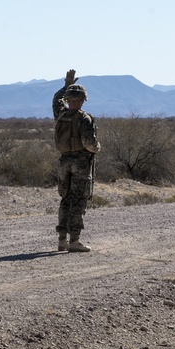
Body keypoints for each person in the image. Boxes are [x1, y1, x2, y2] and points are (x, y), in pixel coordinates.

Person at [52, 69, 101, 252]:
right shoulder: (84, 119)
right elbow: (90, 144)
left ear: (67, 99)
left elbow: (55, 100)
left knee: (65, 198)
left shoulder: (60, 114)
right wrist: (97, 148)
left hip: (64, 161)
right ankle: (74, 241)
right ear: (81, 100)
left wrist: (66, 84)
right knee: (78, 200)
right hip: (80, 161)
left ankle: (62, 240)